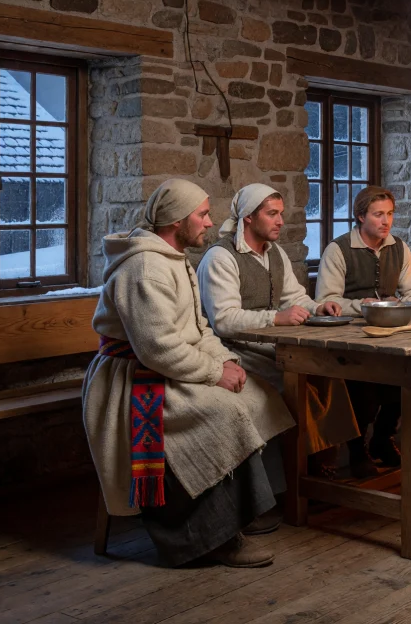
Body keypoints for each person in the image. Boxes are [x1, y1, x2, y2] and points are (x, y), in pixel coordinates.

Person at [84, 179, 294, 569]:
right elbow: (158, 348)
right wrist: (215, 374)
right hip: (131, 381)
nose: (209, 222)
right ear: (176, 221)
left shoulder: (173, 259)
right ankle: (205, 537)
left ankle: (243, 515)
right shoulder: (145, 268)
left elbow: (199, 329)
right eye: (201, 214)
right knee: (222, 413)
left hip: (161, 369)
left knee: (253, 396)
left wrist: (225, 362)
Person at [197, 183, 362, 481]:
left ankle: (322, 459)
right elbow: (223, 320)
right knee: (295, 379)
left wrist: (316, 309)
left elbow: (294, 297)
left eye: (281, 214)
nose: (280, 221)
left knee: (327, 373)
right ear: (248, 217)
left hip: (269, 345)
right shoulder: (220, 258)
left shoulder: (275, 253)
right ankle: (294, 472)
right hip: (234, 350)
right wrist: (277, 317)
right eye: (272, 214)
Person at [315, 186, 411, 476]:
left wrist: (400, 302)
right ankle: (357, 449)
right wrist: (362, 305)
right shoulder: (338, 249)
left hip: (390, 332)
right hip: (351, 337)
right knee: (363, 393)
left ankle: (382, 438)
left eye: (390, 214)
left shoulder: (398, 247)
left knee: (406, 381)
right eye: (378, 214)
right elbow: (326, 300)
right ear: (360, 217)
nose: (386, 221)